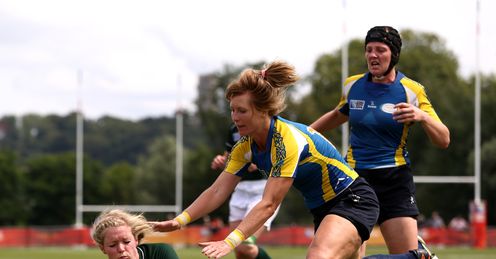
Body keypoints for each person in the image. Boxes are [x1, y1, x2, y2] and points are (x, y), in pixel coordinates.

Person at [152, 60, 434, 259]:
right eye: (232, 111)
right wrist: (180, 220)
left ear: (263, 111)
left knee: (318, 257)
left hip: (353, 199)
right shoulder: (245, 147)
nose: (234, 118)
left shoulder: (285, 140)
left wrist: (230, 241)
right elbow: (217, 190)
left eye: (241, 111)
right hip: (323, 208)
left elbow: (269, 204)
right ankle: (414, 257)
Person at [310, 26, 450, 258]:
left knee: (406, 255)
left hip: (395, 182)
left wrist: (422, 116)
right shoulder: (352, 86)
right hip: (355, 181)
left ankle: (420, 252)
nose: (373, 55)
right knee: (350, 254)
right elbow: (337, 115)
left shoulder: (411, 90)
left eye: (380, 50)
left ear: (393, 54)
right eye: (369, 50)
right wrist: (304, 136)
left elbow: (443, 139)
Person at [210, 123, 280, 259]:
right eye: (233, 109)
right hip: (239, 189)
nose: (235, 114)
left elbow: (286, 156)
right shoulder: (233, 129)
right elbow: (230, 160)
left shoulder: (269, 126)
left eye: (241, 109)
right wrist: (221, 161)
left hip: (263, 189)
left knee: (245, 246)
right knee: (240, 252)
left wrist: (261, 162)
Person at [92, 209, 179, 259]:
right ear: (102, 248)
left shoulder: (159, 253)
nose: (121, 249)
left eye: (126, 242)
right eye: (112, 245)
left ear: (136, 239)